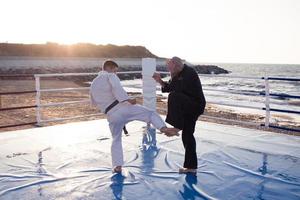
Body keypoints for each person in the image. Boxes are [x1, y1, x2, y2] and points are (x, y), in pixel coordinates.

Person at [90, 60, 180, 173]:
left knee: (116, 139)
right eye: (115, 70)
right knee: (150, 113)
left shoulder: (94, 82)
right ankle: (163, 128)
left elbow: (93, 102)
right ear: (110, 68)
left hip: (110, 114)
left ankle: (117, 166)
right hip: (123, 108)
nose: (116, 73)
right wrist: (128, 100)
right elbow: (117, 89)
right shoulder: (110, 76)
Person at [153, 56, 206, 174]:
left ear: (176, 65)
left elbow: (175, 89)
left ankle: (176, 127)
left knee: (174, 96)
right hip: (186, 107)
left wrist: (172, 76)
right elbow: (169, 87)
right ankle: (191, 167)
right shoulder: (178, 73)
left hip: (194, 106)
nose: (169, 70)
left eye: (170, 67)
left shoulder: (189, 73)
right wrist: (159, 80)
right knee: (187, 135)